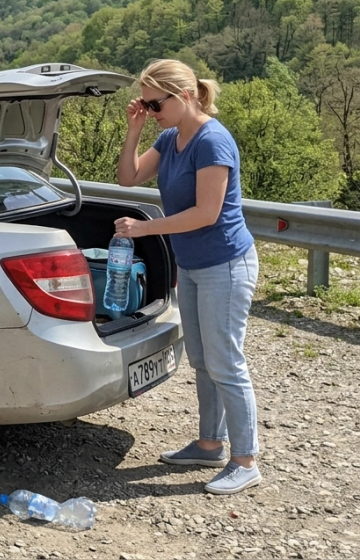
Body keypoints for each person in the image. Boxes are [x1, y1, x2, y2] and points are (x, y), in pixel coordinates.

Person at [113, 59, 261, 496]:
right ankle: (210, 443)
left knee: (226, 362)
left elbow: (205, 213)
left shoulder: (212, 141)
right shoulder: (169, 137)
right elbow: (128, 178)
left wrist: (142, 228)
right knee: (201, 359)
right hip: (194, 266)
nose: (151, 109)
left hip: (226, 265)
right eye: (146, 102)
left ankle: (245, 459)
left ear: (185, 96)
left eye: (156, 103)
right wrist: (135, 129)